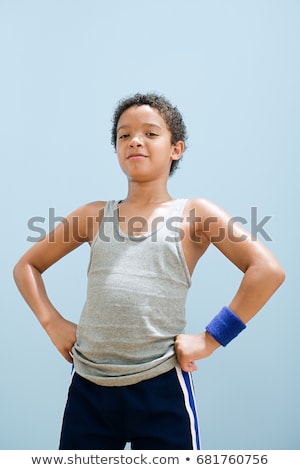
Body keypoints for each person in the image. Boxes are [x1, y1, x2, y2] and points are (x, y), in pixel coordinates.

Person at [13, 93, 285, 450]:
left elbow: (267, 270)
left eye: (150, 133)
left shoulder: (194, 213)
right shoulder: (94, 215)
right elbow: (27, 266)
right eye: (124, 135)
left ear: (176, 149)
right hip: (88, 387)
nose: (135, 140)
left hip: (160, 386)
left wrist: (210, 339)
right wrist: (51, 322)